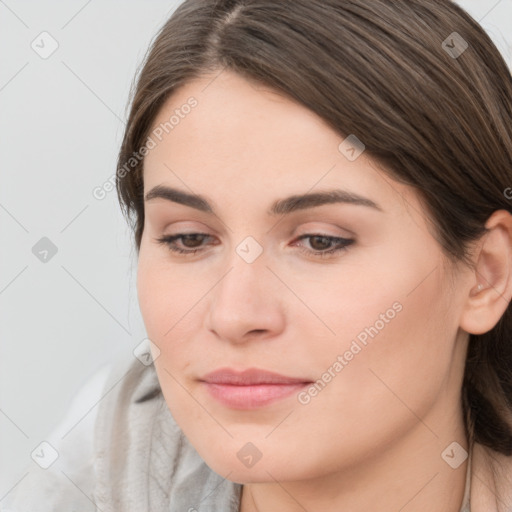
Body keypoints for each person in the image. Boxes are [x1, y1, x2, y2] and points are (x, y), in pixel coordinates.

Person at [4, 0, 512, 510]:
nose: (234, 315)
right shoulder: (103, 451)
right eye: (189, 238)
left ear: (485, 274)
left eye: (320, 241)